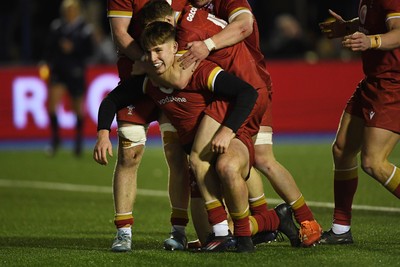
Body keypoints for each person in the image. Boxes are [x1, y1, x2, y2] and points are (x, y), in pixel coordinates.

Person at [178, 0, 322, 246]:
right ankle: (269, 223)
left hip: (248, 85)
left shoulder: (230, 2)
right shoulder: (197, 9)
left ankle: (292, 221)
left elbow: (245, 24)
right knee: (247, 160)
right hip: (233, 89)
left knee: (253, 160)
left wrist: (207, 45)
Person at [101, 0, 189, 252]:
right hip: (137, 80)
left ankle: (179, 231)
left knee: (177, 155)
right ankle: (123, 232)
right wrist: (148, 61)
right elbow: (119, 32)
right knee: (129, 154)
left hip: (172, 82)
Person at [318, 2, 400, 244]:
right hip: (374, 81)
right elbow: (372, 21)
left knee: (373, 162)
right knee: (342, 149)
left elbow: (397, 31)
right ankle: (341, 230)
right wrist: (347, 27)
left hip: (393, 86)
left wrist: (371, 41)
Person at [40, 0, 94, 157]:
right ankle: (56, 139)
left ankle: (78, 143)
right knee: (51, 105)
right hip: (58, 71)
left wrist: (73, 48)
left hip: (76, 71)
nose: (69, 14)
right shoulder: (57, 27)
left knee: (77, 107)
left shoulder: (85, 29)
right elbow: (48, 47)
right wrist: (45, 61)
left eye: (72, 11)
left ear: (77, 12)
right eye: (67, 11)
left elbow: (89, 51)